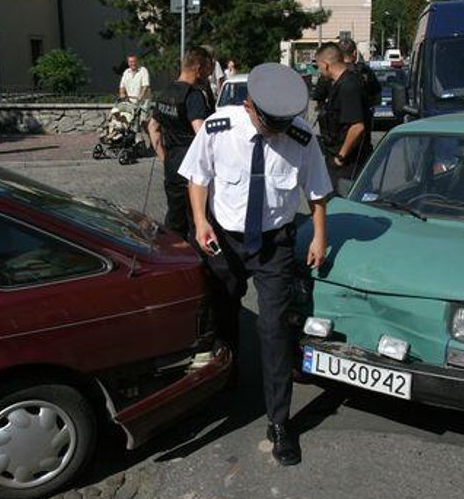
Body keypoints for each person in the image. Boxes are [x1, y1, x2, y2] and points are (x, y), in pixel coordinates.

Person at [179, 63, 332, 467]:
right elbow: (197, 177)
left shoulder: (299, 136)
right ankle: (224, 385)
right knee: (223, 313)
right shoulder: (218, 128)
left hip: (274, 243)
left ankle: (279, 422)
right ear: (249, 106)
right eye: (271, 124)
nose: (278, 131)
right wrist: (199, 221)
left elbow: (316, 191)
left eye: (284, 123)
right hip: (225, 240)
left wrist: (319, 235)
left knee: (274, 328)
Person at [147, 47, 215, 237]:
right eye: (208, 70)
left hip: (172, 165)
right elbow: (202, 134)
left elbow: (153, 128)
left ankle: (174, 256)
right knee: (197, 222)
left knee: (175, 220)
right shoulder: (193, 96)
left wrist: (165, 159)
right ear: (199, 68)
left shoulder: (166, 92)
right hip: (194, 169)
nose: (209, 75)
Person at [316, 42, 370, 186]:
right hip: (336, 158)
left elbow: (357, 127)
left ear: (326, 64)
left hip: (347, 165)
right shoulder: (338, 84)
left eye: (319, 66)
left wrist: (340, 157)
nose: (319, 71)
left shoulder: (348, 85)